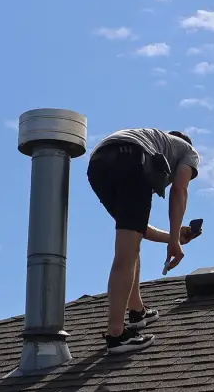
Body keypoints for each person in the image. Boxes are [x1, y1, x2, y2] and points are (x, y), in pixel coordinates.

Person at [84, 126, 203, 353]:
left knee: (130, 242)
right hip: (131, 158)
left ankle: (137, 310)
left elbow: (140, 230)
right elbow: (180, 189)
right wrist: (174, 240)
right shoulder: (188, 151)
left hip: (99, 163)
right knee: (124, 256)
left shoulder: (154, 140)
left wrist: (174, 237)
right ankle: (117, 335)